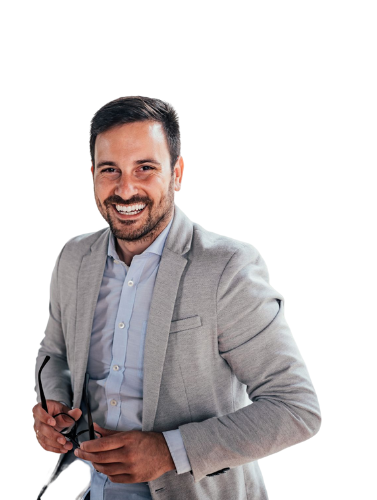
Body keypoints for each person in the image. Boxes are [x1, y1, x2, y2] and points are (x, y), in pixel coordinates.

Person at [32, 96, 321, 500]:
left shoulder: (227, 268)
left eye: (145, 168)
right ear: (92, 174)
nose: (125, 188)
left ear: (177, 173)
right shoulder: (74, 258)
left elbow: (295, 408)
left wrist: (171, 451)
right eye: (110, 169)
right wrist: (56, 405)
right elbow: (55, 352)